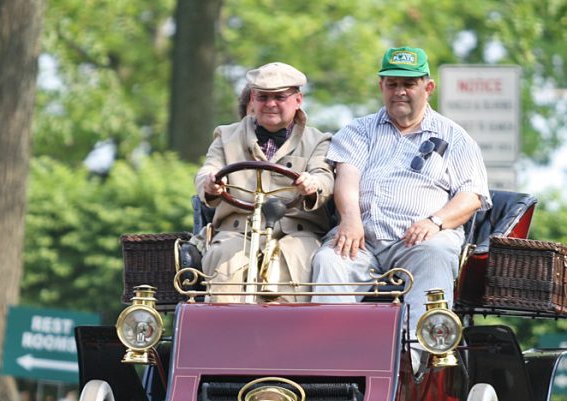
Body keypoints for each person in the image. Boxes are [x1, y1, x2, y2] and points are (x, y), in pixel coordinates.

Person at [311, 47, 491, 373]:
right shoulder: (359, 129)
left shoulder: (455, 137)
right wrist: (351, 219)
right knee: (328, 260)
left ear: (428, 87)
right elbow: (347, 177)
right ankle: (329, 366)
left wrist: (436, 222)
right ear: (381, 86)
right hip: (362, 236)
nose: (400, 92)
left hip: (419, 240)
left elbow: (472, 196)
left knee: (435, 251)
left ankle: (414, 364)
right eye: (392, 84)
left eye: (409, 84)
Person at [195, 62, 335, 302]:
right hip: (237, 231)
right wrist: (209, 184)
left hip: (295, 232)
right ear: (253, 98)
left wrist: (312, 185)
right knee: (225, 259)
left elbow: (324, 177)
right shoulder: (226, 135)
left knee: (298, 258)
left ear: (298, 100)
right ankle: (224, 330)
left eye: (280, 97)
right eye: (263, 97)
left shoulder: (317, 140)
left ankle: (289, 334)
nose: (270, 104)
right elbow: (209, 169)